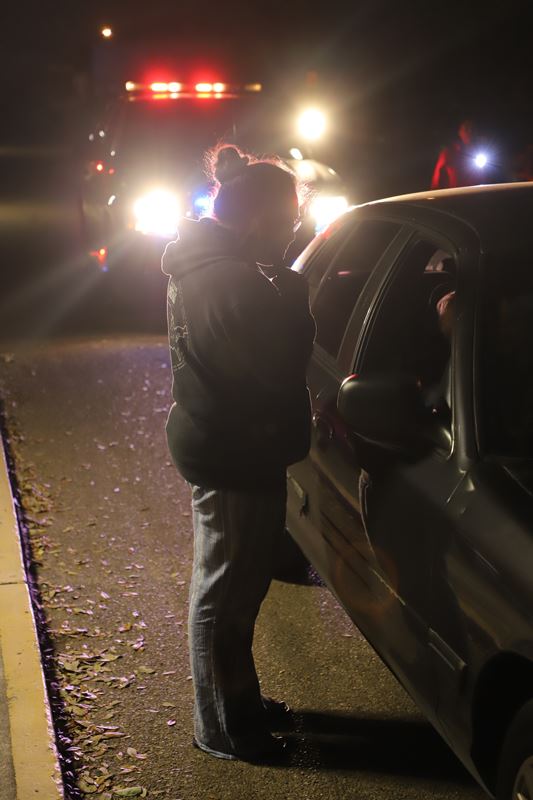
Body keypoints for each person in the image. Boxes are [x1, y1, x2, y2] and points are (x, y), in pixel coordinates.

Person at [162, 145, 316, 763]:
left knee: (232, 589)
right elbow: (280, 367)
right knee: (224, 596)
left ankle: (234, 700)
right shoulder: (232, 281)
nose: (294, 234)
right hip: (233, 452)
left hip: (224, 442)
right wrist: (295, 287)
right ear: (258, 221)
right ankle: (223, 728)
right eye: (289, 225)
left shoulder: (211, 263)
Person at [431, 119, 477, 189]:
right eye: (466, 128)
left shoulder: (480, 153)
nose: (470, 132)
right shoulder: (448, 153)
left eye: (472, 129)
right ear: (460, 132)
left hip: (476, 196)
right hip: (455, 197)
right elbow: (436, 182)